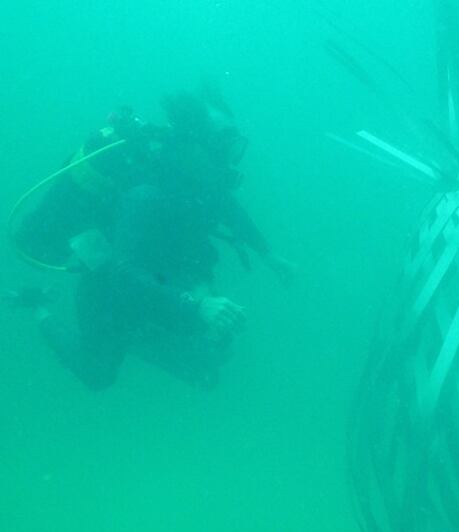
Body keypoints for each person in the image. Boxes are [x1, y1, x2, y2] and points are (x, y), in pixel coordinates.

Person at [6, 91, 293, 389]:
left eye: (230, 142)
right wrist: (197, 307)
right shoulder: (145, 195)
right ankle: (39, 307)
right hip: (108, 286)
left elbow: (225, 205)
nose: (228, 155)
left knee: (210, 354)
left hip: (157, 277)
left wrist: (267, 253)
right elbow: (124, 274)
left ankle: (138, 333)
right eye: (220, 143)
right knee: (98, 374)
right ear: (191, 142)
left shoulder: (200, 179)